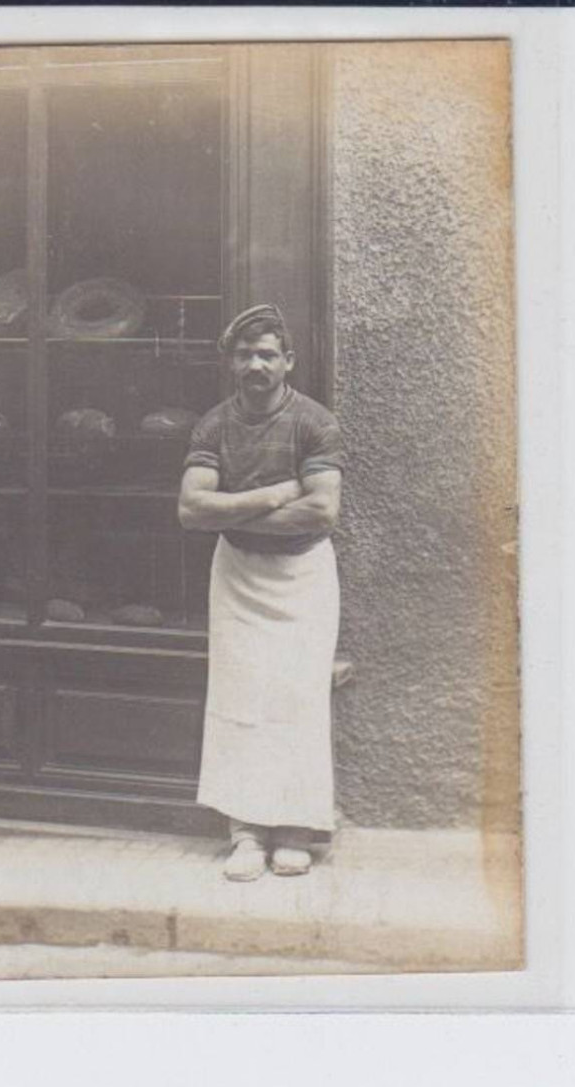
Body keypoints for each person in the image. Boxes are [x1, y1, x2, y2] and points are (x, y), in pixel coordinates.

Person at [177, 304, 344, 881]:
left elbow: (323, 510)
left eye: (267, 354)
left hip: (302, 579)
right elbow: (191, 508)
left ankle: (296, 829)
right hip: (238, 576)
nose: (256, 364)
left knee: (296, 697)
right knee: (240, 696)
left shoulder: (315, 423)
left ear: (288, 361)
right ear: (230, 364)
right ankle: (245, 831)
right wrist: (274, 494)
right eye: (246, 355)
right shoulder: (214, 426)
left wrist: (233, 511)